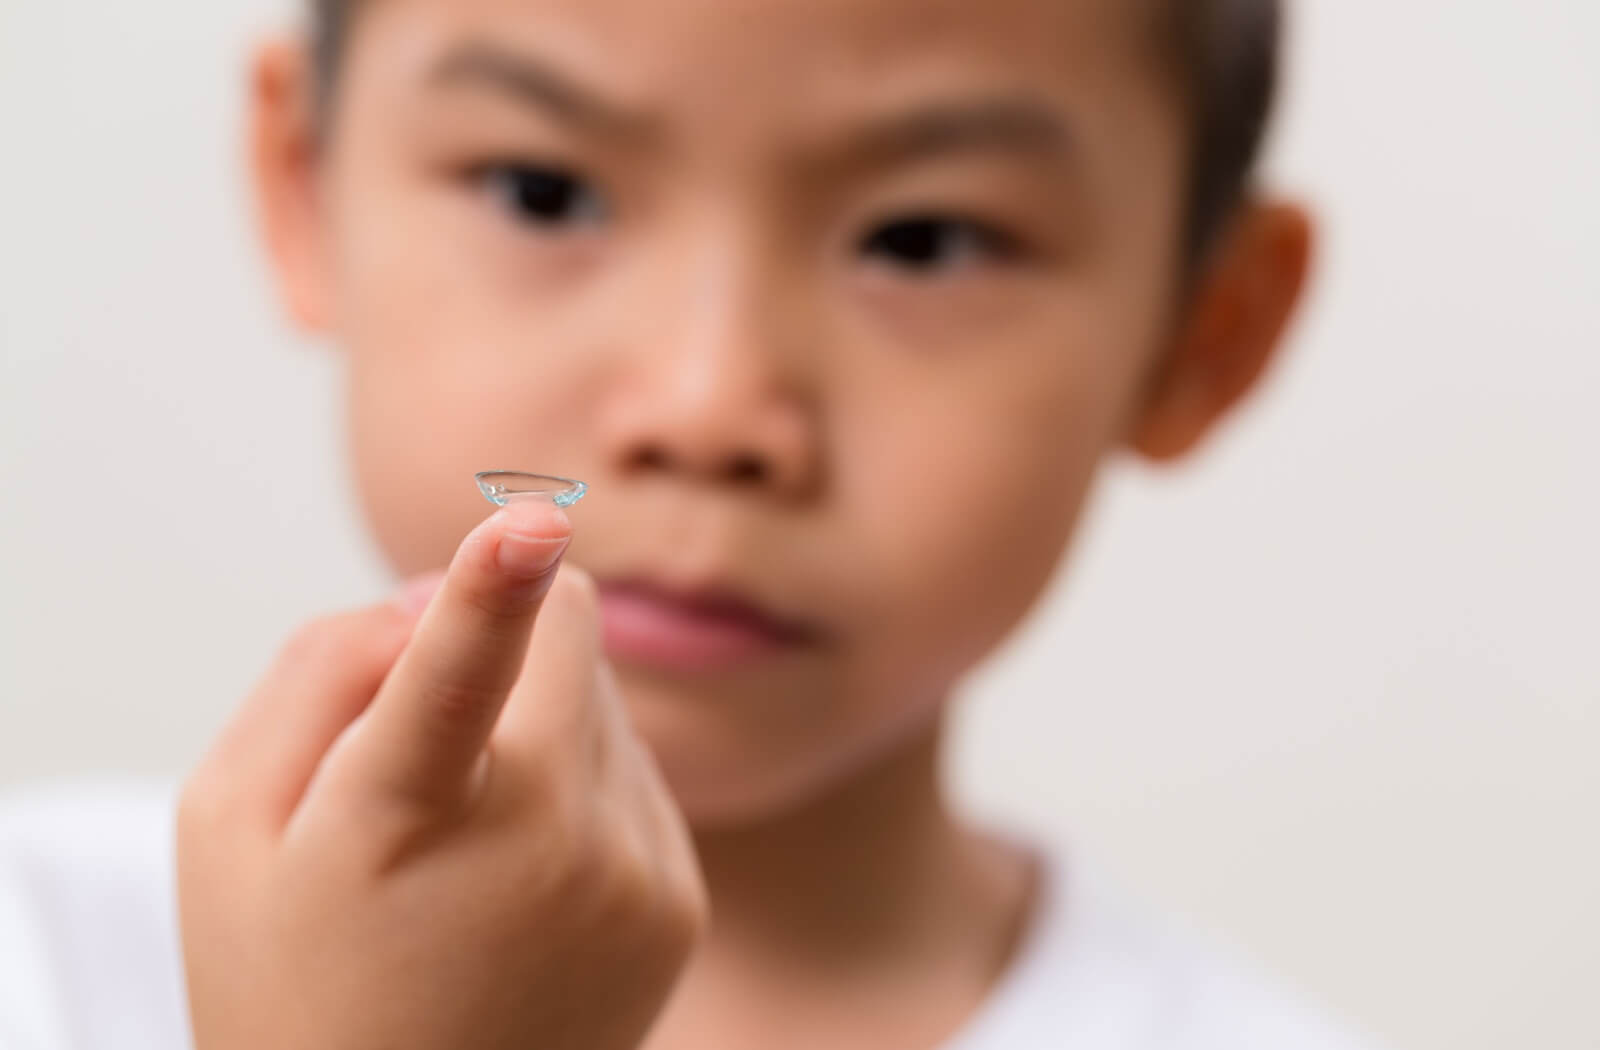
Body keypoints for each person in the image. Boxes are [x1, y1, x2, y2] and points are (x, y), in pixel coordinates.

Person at [0, 0, 1386, 1047]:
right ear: (306, 182)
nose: (709, 405)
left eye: (924, 240)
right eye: (545, 192)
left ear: (1206, 334)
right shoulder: (41, 955)